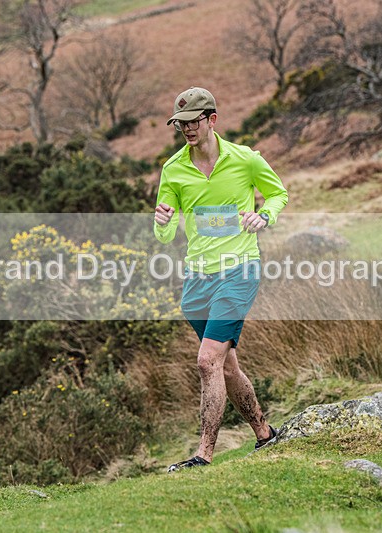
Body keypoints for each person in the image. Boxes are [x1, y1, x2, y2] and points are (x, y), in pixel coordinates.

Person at [153, 87, 289, 471]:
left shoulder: (246, 160)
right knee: (225, 365)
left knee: (206, 360)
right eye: (179, 124)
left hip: (239, 270)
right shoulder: (173, 170)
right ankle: (264, 434)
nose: (186, 129)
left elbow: (278, 194)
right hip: (197, 278)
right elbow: (165, 233)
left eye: (193, 121)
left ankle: (204, 454)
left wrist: (264, 216)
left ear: (211, 119)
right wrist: (161, 221)